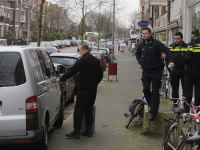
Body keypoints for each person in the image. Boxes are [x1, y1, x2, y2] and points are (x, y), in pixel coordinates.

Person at [56, 44, 103, 139]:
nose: (79, 52)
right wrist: (94, 84)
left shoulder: (83, 60)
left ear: (84, 50)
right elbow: (100, 75)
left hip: (84, 88)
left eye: (80, 50)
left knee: (78, 109)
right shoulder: (95, 60)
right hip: (93, 89)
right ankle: (88, 130)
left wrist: (62, 78)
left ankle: (76, 131)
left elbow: (72, 70)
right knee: (88, 109)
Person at [136, 27, 174, 121]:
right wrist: (141, 61)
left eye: (146, 33)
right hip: (146, 71)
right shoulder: (141, 44)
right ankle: (151, 105)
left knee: (155, 92)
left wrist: (171, 61)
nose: (144, 35)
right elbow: (137, 54)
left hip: (156, 71)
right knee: (145, 89)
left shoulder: (156, 43)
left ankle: (154, 112)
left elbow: (167, 51)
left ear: (150, 34)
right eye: (143, 33)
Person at [166, 32, 187, 104]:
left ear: (182, 38)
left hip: (184, 70)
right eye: (175, 38)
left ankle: (185, 104)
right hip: (174, 71)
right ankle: (175, 104)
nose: (176, 40)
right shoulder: (171, 47)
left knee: (185, 87)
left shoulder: (186, 47)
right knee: (174, 88)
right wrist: (170, 70)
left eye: (178, 38)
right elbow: (167, 59)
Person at [184, 28, 200, 112]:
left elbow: (187, 57)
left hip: (191, 71)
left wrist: (183, 60)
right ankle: (197, 108)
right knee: (198, 90)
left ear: (193, 35)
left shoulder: (192, 44)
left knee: (188, 89)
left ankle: (186, 108)